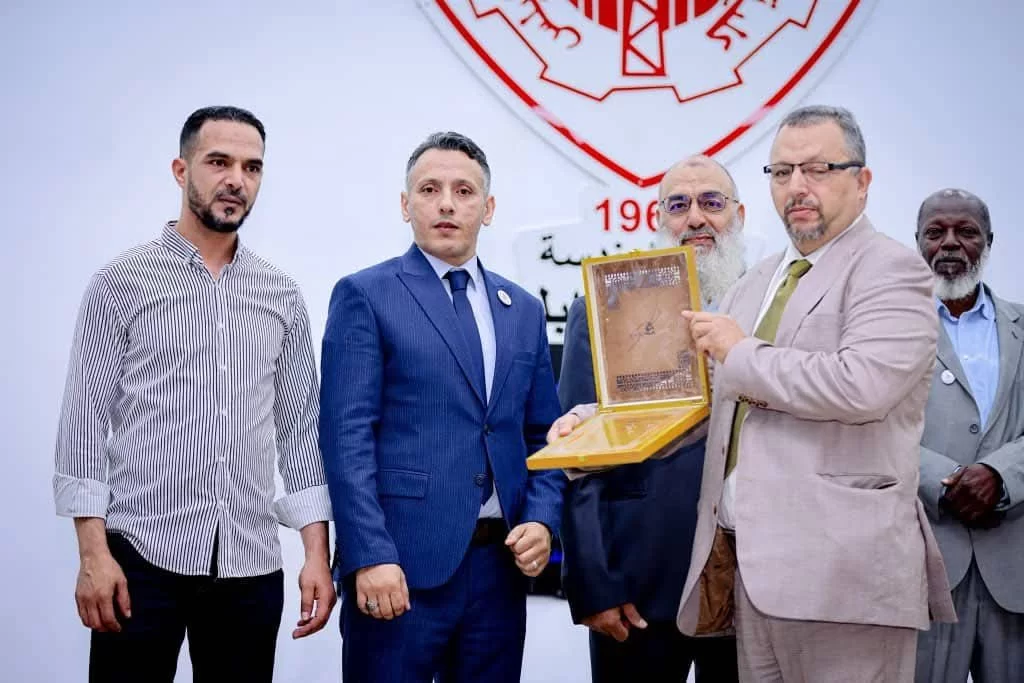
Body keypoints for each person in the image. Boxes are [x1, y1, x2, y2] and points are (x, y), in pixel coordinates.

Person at [551, 105, 957, 681]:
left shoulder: (893, 269)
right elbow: (710, 401)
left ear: (862, 181)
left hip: (840, 578)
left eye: (818, 169)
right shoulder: (760, 283)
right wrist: (595, 424)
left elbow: (861, 385)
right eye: (783, 171)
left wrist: (738, 352)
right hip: (739, 580)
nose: (798, 186)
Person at [53, 106, 335, 683]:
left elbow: (300, 431)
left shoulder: (280, 294)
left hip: (250, 564)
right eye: (219, 162)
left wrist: (316, 554)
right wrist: (92, 554)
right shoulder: (121, 283)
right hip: (140, 558)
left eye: (252, 167)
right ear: (181, 171)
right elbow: (85, 424)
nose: (237, 180)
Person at [319, 131, 566, 683]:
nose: (447, 204)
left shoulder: (524, 309)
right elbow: (345, 437)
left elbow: (544, 435)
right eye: (430, 190)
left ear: (489, 208)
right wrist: (369, 553)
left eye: (464, 191)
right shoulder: (366, 294)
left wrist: (543, 521)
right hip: (397, 569)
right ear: (405, 205)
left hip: (499, 572)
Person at [554, 154, 741, 683]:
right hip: (637, 584)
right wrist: (592, 582)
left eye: (711, 202)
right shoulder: (604, 307)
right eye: (678, 205)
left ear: (739, 214)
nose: (695, 218)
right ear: (659, 219)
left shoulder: (770, 307)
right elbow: (579, 455)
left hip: (751, 583)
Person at [914, 189, 1024, 683]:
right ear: (918, 242)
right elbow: (871, 428)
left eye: (967, 232)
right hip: (925, 561)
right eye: (936, 233)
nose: (950, 243)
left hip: (1015, 564)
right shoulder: (888, 329)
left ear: (990, 242)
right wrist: (945, 479)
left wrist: (1001, 475)